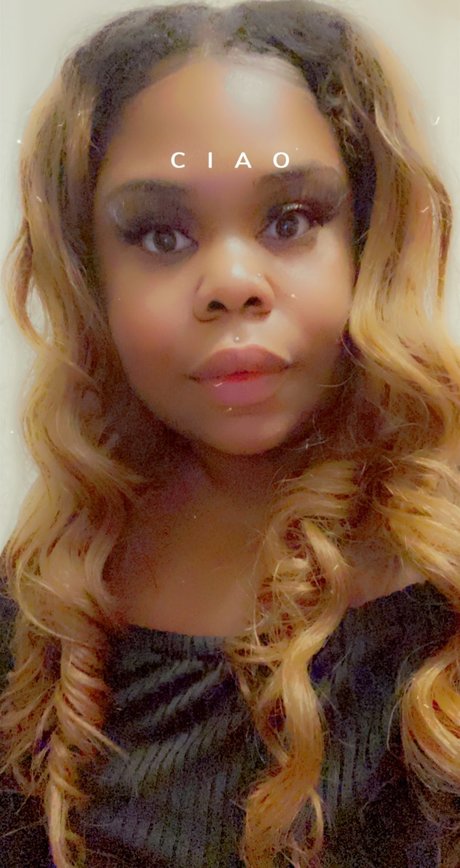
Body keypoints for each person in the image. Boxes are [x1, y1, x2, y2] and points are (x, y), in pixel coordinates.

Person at [0, 0, 459, 865]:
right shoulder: (37, 618)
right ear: (90, 273)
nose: (232, 282)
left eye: (291, 220)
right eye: (160, 234)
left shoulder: (444, 586)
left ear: (367, 238)